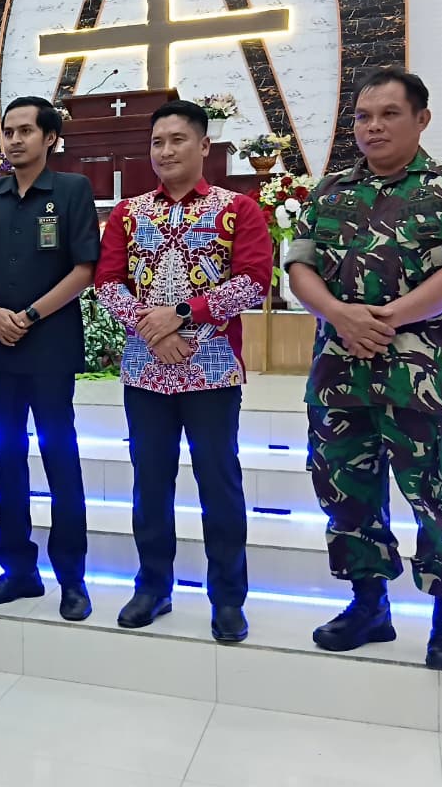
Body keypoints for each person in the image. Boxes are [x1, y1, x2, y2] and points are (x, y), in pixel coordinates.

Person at [285, 67, 442, 673]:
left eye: (388, 114)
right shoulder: (330, 192)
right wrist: (339, 316)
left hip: (419, 377)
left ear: (421, 119)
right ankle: (368, 605)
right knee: (345, 493)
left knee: (440, 495)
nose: (372, 127)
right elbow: (299, 268)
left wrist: (385, 319)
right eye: (362, 117)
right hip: (339, 374)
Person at [95, 99, 272, 644]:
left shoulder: (237, 209)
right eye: (157, 142)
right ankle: (153, 586)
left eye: (178, 140)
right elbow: (107, 282)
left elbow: (253, 281)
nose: (166, 151)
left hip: (212, 370)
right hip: (145, 373)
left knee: (219, 485)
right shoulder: (128, 214)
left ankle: (228, 598)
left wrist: (181, 315)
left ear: (204, 145)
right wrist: (153, 330)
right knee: (150, 485)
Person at [0, 95, 99, 622]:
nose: (14, 140)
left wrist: (31, 315)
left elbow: (84, 269)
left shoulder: (71, 190)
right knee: (7, 458)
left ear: (50, 137)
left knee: (60, 458)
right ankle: (18, 570)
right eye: (8, 131)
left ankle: (72, 577)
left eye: (25, 131)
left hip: (51, 345)